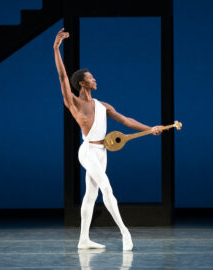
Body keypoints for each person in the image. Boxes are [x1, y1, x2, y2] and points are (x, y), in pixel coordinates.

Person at [53, 28, 163, 251]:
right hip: (87, 152)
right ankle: (125, 233)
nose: (95, 79)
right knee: (106, 187)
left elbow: (125, 120)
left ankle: (83, 240)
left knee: (91, 195)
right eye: (91, 77)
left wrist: (150, 128)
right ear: (83, 83)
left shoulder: (103, 105)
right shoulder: (74, 103)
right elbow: (63, 77)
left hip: (102, 153)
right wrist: (56, 48)